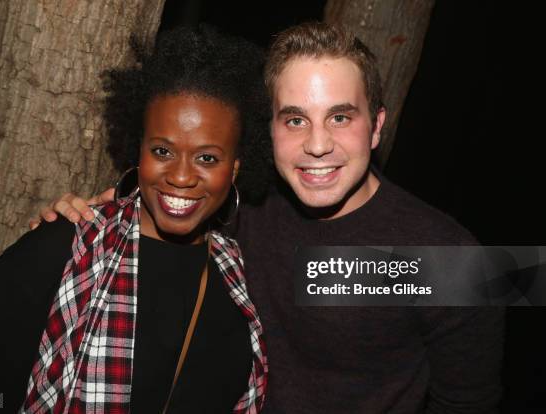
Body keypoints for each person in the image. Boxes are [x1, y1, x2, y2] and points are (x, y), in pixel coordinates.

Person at [33, 22, 504, 413]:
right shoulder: (242, 207)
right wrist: (76, 218)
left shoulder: (451, 259)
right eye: (295, 119)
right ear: (269, 130)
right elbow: (165, 197)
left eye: (340, 117)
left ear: (377, 125)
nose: (318, 145)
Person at [0, 25, 270, 413]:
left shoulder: (237, 273)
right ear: (138, 151)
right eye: (162, 150)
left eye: (207, 158)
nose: (182, 176)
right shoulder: (61, 250)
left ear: (235, 169)